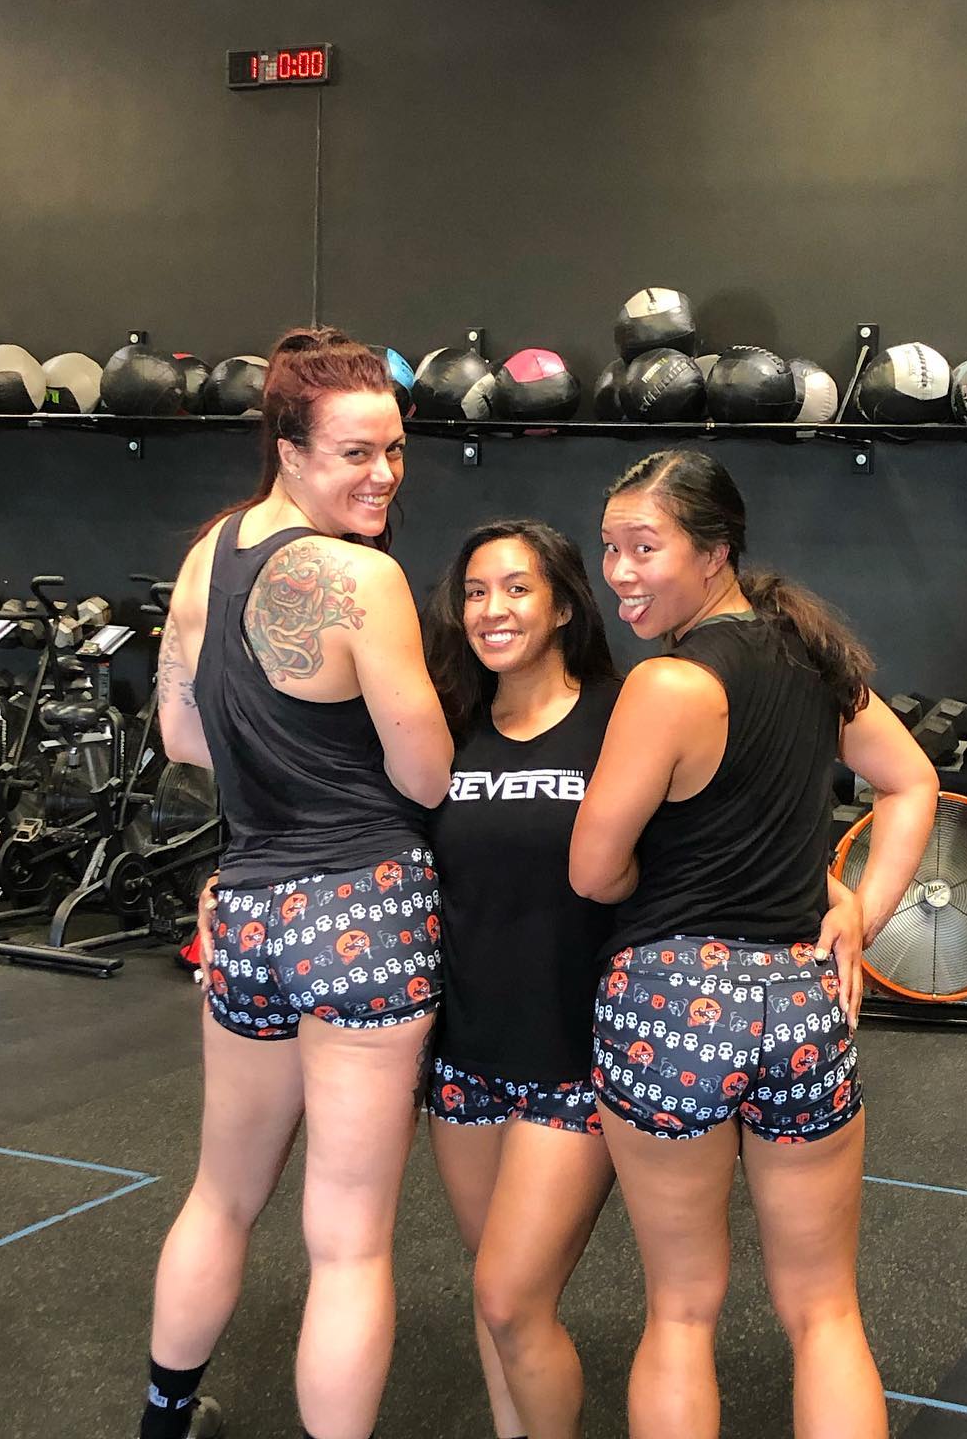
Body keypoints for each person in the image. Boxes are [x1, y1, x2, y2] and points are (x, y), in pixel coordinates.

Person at [571, 448, 938, 1439]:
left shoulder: (669, 685)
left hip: (670, 1007)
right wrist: (861, 909)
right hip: (803, 999)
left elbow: (593, 871)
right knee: (826, 1314)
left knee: (681, 1312)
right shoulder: (810, 659)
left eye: (644, 547)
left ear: (715, 551)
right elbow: (913, 782)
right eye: (610, 548)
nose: (620, 572)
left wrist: (658, 884)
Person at [142, 327, 453, 1439]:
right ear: (288, 450)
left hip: (250, 905)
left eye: (395, 450)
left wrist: (279, 748)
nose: (384, 476)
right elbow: (427, 773)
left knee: (221, 1195)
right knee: (349, 1238)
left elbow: (184, 736)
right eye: (355, 454)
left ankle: (164, 1423)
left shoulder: (207, 554)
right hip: (363, 904)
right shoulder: (363, 578)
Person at [417, 519, 620, 1439]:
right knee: (495, 1293)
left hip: (577, 1060)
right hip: (466, 1055)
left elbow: (711, 827)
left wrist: (826, 893)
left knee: (509, 1297)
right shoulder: (445, 727)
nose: (491, 610)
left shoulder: (618, 718)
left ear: (564, 605)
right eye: (474, 592)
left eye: (516, 588)